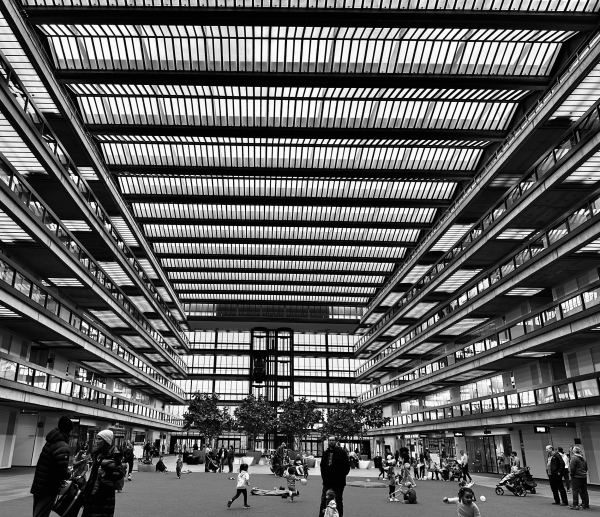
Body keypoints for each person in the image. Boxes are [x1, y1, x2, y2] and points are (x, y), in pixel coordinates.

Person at [30, 416, 73, 517]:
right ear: (68, 430)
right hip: (48, 487)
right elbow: (61, 470)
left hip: (39, 484)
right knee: (41, 514)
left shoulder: (50, 441)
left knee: (37, 512)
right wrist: (69, 473)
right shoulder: (62, 445)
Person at [82, 430, 124, 517]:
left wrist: (106, 475)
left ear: (106, 441)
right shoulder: (96, 453)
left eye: (99, 439)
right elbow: (93, 474)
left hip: (105, 494)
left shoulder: (114, 454)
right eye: (96, 439)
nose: (96, 441)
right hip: (92, 491)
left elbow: (120, 473)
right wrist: (86, 490)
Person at [319, 436, 350, 517]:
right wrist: (324, 477)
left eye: (333, 440)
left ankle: (339, 515)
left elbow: (347, 466)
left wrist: (342, 475)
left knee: (339, 500)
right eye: (330, 440)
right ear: (328, 441)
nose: (331, 442)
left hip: (339, 482)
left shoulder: (342, 452)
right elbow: (322, 466)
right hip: (327, 481)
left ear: (336, 441)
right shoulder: (326, 453)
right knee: (324, 500)